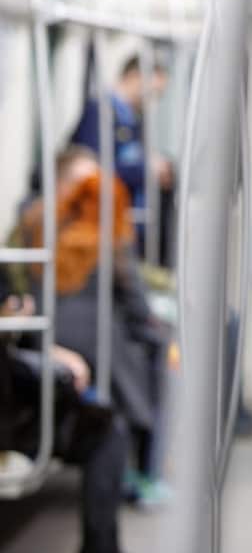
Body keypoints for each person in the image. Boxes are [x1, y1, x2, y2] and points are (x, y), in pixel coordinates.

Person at [15, 147, 172, 507]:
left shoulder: (30, 222)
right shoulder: (106, 228)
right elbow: (133, 296)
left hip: (42, 332)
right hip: (96, 339)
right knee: (159, 350)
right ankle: (148, 468)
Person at [0, 290, 128, 553]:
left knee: (106, 427)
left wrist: (48, 348)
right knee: (106, 431)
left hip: (18, 405)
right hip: (14, 413)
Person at [71, 55, 173, 261]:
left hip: (122, 224)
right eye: (153, 92)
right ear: (134, 76)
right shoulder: (100, 112)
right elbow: (92, 168)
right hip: (103, 225)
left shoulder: (130, 118)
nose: (152, 102)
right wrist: (145, 168)